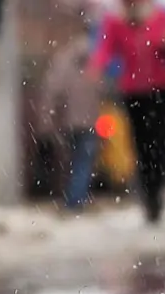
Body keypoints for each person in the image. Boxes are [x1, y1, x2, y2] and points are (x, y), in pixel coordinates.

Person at [88, 0, 165, 225]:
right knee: (142, 146)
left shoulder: (164, 16)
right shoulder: (114, 21)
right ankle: (151, 195)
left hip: (163, 91)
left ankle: (156, 185)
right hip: (134, 94)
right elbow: (104, 51)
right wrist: (99, 67)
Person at [42, 16, 103, 213]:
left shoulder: (63, 58)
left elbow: (53, 90)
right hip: (90, 120)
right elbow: (105, 89)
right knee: (84, 161)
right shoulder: (98, 58)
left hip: (68, 120)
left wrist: (48, 118)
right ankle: (76, 200)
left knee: (70, 160)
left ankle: (71, 198)